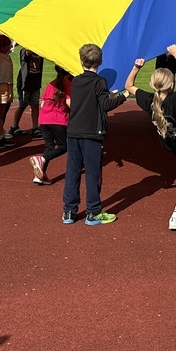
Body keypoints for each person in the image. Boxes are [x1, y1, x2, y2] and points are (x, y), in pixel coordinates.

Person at [125, 44, 176, 230]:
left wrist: (136, 68)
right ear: (172, 84)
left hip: (171, 145)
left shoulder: (148, 100)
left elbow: (128, 86)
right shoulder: (175, 100)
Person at [62, 44, 128, 225]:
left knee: (73, 172)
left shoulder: (75, 81)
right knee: (92, 173)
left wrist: (107, 96)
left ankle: (69, 211)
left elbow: (88, 100)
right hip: (91, 133)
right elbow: (105, 105)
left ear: (81, 61)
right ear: (100, 62)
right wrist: (122, 96)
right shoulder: (99, 82)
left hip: (74, 131)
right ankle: (93, 211)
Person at [31, 65, 72, 185]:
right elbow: (69, 102)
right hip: (57, 120)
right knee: (63, 147)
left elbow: (42, 104)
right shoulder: (68, 84)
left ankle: (40, 175)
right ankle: (42, 159)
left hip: (44, 120)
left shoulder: (51, 84)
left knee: (49, 148)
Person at [10, 48, 43, 137]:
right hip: (25, 84)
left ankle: (35, 127)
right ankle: (14, 126)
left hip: (36, 83)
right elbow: (28, 53)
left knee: (35, 105)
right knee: (22, 105)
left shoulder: (41, 51)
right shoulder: (24, 50)